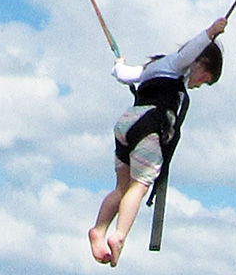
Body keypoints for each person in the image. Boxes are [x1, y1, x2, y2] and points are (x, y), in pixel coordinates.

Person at [88, 17, 227, 266]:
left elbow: (123, 74)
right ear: (201, 64)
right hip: (149, 126)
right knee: (138, 186)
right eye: (204, 79)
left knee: (120, 188)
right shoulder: (177, 64)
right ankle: (119, 236)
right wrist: (210, 32)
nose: (198, 85)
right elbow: (191, 51)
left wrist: (118, 65)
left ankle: (99, 231)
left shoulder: (151, 69)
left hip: (126, 124)